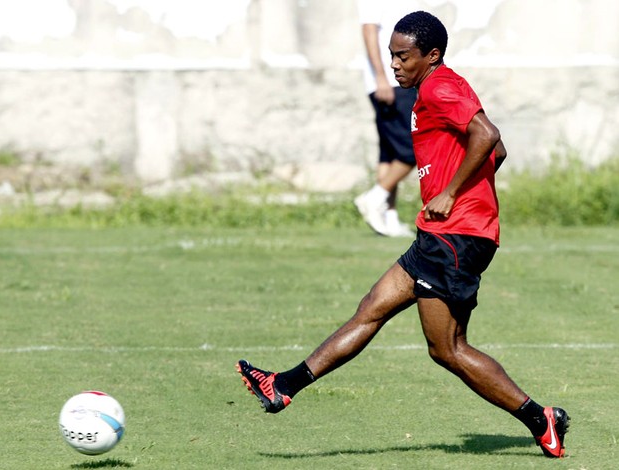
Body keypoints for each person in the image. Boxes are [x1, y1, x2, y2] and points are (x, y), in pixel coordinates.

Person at [236, 11, 570, 459]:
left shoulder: (439, 86)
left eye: (402, 56)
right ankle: (282, 386)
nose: (394, 64)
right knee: (371, 309)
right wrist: (465, 193)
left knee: (447, 349)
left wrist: (453, 194)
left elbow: (488, 135)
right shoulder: (436, 86)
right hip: (442, 232)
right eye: (392, 55)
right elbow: (498, 148)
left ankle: (539, 417)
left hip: (454, 237)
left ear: (431, 56)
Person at [354, 0, 418, 237]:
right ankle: (375, 198)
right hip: (391, 83)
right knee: (413, 149)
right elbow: (369, 30)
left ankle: (388, 217)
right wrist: (381, 77)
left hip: (396, 81)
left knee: (389, 153)